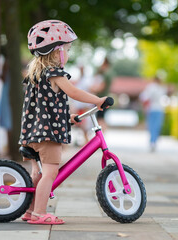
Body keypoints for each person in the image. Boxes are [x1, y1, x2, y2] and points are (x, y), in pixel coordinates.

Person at [19, 20, 107, 225]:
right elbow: (74, 92)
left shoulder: (36, 76)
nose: (67, 54)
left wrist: (68, 118)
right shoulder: (55, 74)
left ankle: (29, 211)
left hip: (31, 133)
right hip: (47, 136)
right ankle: (41, 214)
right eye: (67, 49)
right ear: (57, 51)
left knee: (37, 174)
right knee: (50, 172)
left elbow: (42, 108)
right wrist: (98, 100)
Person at [139, 76, 166, 152]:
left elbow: (145, 98)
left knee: (151, 127)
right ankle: (154, 142)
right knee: (157, 126)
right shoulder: (161, 88)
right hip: (159, 109)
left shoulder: (151, 87)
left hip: (151, 109)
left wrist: (144, 108)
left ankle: (152, 142)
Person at [91, 57, 113, 131]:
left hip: (101, 98)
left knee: (100, 119)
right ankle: (103, 136)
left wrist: (92, 89)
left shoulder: (105, 74)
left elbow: (101, 87)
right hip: (104, 97)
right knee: (102, 118)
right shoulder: (109, 73)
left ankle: (102, 136)